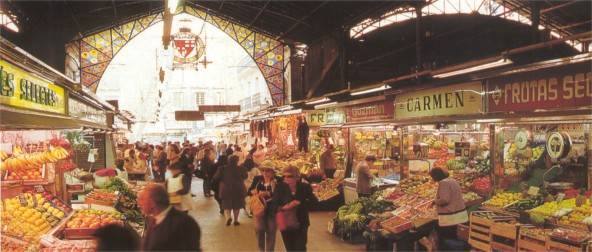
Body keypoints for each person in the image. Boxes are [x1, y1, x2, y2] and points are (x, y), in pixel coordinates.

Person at [138, 184, 201, 251]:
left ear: (153, 203)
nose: (139, 204)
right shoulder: (155, 219)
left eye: (142, 199)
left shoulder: (184, 223)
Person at [272, 166, 318, 251]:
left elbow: (314, 203)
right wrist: (286, 207)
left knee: (300, 247)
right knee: (290, 248)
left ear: (297, 177)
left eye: (290, 176)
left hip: (301, 222)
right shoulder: (280, 187)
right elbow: (274, 205)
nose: (286, 178)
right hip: (286, 222)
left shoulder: (304, 187)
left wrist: (301, 203)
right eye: (284, 176)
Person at [430, 167, 468, 251]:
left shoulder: (443, 183)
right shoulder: (452, 180)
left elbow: (445, 199)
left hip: (450, 217)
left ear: (435, 176)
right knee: (454, 237)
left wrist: (435, 201)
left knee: (447, 239)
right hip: (459, 215)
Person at [248, 162, 280, 252]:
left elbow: (280, 194)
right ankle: (261, 250)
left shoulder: (278, 180)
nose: (265, 173)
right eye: (263, 171)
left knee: (271, 232)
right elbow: (249, 191)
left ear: (273, 172)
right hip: (259, 210)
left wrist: (269, 193)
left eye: (268, 171)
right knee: (259, 230)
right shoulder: (257, 179)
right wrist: (254, 192)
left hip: (272, 210)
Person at [214, 155, 247, 226]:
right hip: (238, 189)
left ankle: (228, 217)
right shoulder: (242, 168)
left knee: (226, 205)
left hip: (226, 189)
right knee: (237, 205)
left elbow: (216, 178)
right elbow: (245, 176)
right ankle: (236, 220)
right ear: (237, 161)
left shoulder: (222, 168)